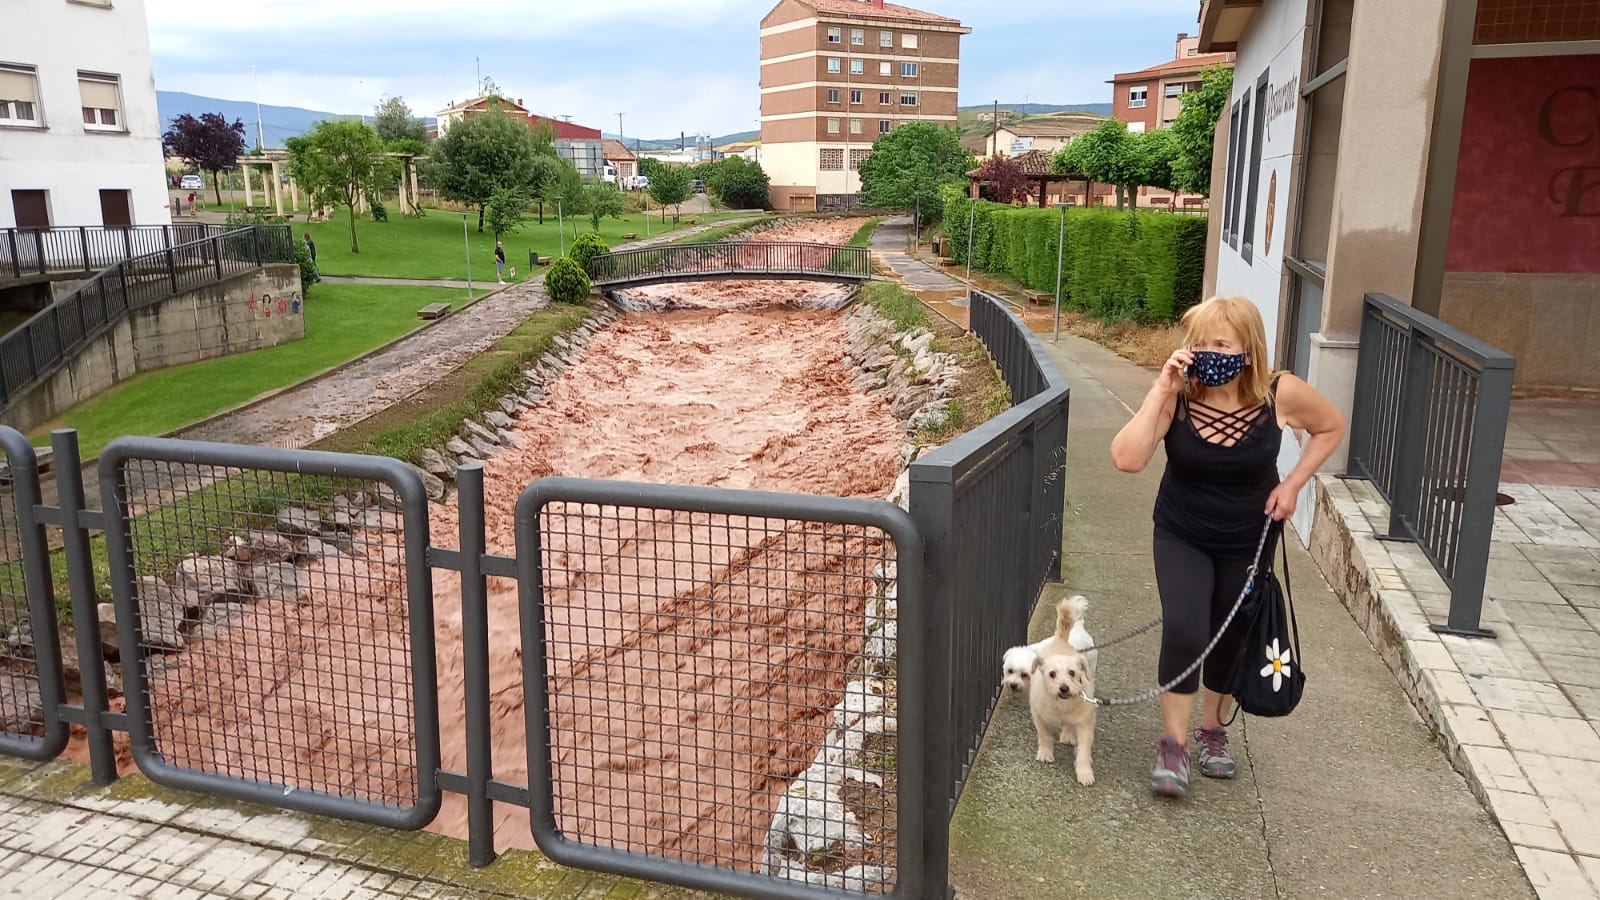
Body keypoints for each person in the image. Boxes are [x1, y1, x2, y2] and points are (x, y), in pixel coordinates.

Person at [1109, 295, 1345, 799]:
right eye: (1200, 343)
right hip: (1181, 532)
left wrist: (1295, 483)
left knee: (1229, 632)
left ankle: (1212, 730)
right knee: (1187, 627)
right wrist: (1161, 388)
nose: (1209, 352)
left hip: (1249, 536)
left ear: (1248, 348)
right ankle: (1173, 746)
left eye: (1222, 343)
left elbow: (1330, 427)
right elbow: (1127, 459)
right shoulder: (1180, 395)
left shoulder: (1280, 393)